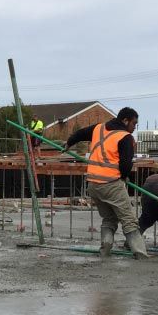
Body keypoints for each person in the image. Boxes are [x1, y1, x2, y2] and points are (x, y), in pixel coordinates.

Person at [65, 107, 148, 259]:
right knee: (129, 220)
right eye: (134, 123)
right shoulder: (125, 137)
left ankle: (105, 251)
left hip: (93, 184)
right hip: (111, 184)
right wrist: (124, 177)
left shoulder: (99, 128)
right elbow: (126, 164)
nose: (134, 127)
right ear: (125, 121)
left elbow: (80, 134)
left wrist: (69, 143)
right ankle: (140, 253)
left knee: (109, 219)